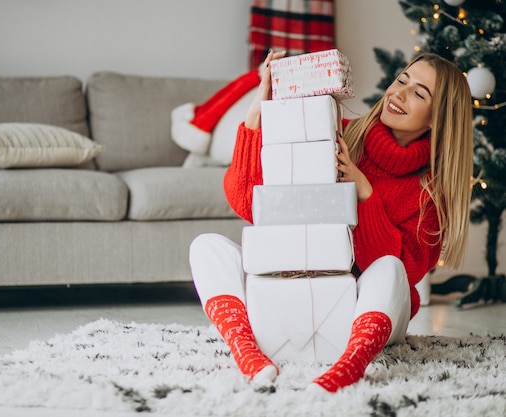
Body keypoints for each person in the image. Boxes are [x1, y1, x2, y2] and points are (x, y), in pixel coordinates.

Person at [189, 49, 474, 392]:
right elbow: (249, 203)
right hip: (299, 293)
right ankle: (246, 351)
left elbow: (397, 271)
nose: (398, 94)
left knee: (390, 269)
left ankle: (350, 367)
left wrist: (364, 193)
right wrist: (255, 113)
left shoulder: (431, 194)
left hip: (362, 316)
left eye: (418, 92)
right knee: (206, 247)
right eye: (401, 80)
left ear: (437, 118)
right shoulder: (337, 135)